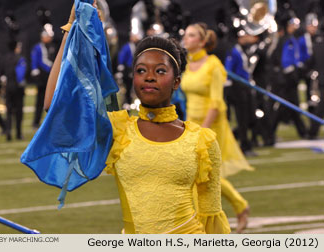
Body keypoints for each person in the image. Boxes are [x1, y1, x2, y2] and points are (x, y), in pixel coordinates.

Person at [21, 1, 230, 234]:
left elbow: (211, 217)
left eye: (160, 71)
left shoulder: (203, 140)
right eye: (141, 71)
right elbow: (54, 105)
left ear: (176, 82)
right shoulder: (119, 130)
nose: (149, 77)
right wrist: (71, 30)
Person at [181, 23, 253, 233]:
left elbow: (216, 103)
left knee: (205, 174)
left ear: (203, 42)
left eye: (192, 35)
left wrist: (203, 131)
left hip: (211, 125)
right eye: (186, 35)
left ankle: (207, 219)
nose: (186, 39)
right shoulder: (186, 64)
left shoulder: (213, 65)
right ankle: (239, 206)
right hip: (191, 124)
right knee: (199, 174)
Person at [224, 30, 259, 156]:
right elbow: (228, 70)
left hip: (245, 86)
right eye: (245, 35)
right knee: (242, 117)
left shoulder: (242, 49)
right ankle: (244, 145)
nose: (248, 37)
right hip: (237, 88)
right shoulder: (233, 50)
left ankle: (239, 138)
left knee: (249, 117)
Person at [30, 24, 56, 129]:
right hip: (42, 77)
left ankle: (52, 121)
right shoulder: (38, 47)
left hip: (50, 76)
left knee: (54, 99)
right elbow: (38, 61)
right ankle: (36, 122)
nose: (49, 38)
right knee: (40, 100)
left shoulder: (52, 46)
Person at [1, 41, 27, 141]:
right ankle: (18, 133)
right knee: (18, 111)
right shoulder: (20, 58)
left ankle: (8, 132)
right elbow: (20, 74)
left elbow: (1, 73)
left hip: (8, 87)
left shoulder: (5, 58)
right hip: (17, 88)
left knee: (8, 111)